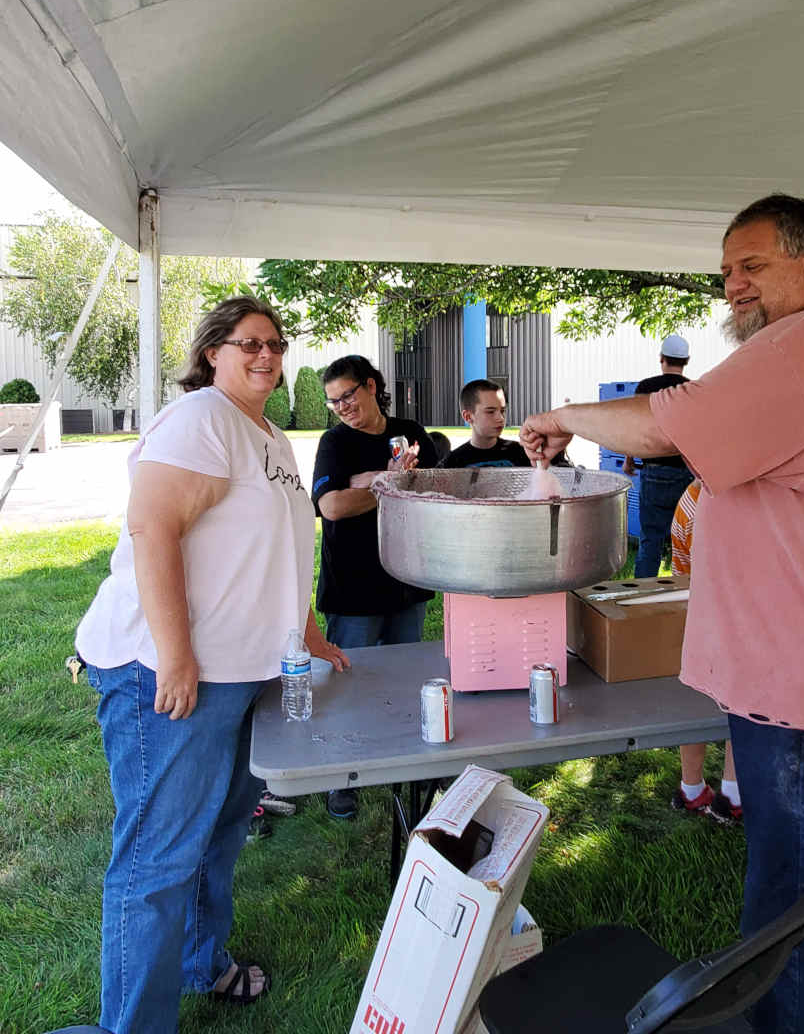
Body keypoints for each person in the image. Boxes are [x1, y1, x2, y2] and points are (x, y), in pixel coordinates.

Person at [520, 194, 804, 1033]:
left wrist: (558, 418)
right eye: (726, 269)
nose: (733, 285)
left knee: (790, 916)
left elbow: (664, 427)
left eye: (752, 265)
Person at [75, 296, 350, 1034]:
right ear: (211, 353)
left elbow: (282, 551)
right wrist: (176, 658)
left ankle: (201, 964)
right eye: (248, 343)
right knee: (157, 862)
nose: (267, 356)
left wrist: (308, 630)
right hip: (169, 674)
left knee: (219, 833)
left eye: (275, 344)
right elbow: (152, 529)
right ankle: (130, 1028)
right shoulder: (200, 419)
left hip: (247, 673)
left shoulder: (267, 433)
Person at [312, 354, 437, 819]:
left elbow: (437, 487)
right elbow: (333, 507)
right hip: (354, 588)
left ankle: (405, 764)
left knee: (408, 680)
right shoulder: (335, 443)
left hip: (407, 579)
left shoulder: (410, 430)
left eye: (347, 395)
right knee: (350, 682)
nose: (341, 406)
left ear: (370, 386)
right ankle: (343, 774)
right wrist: (390, 482)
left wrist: (377, 482)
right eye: (332, 401)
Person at [669, 479, 742, 824]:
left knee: (694, 696)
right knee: (741, 705)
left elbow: (681, 571)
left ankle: (692, 788)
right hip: (748, 623)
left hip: (697, 618)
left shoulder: (690, 499)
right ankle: (732, 794)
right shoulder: (755, 497)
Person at [623, 334, 695, 578]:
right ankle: (684, 595)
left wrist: (629, 459)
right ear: (686, 360)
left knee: (650, 540)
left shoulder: (646, 388)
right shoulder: (692, 389)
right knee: (685, 538)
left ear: (661, 358)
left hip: (654, 471)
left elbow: (636, 427)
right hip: (687, 474)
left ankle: (642, 599)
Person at [442, 378, 569, 468]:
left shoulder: (522, 453)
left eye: (502, 410)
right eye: (490, 412)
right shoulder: (453, 462)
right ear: (468, 416)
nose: (500, 418)